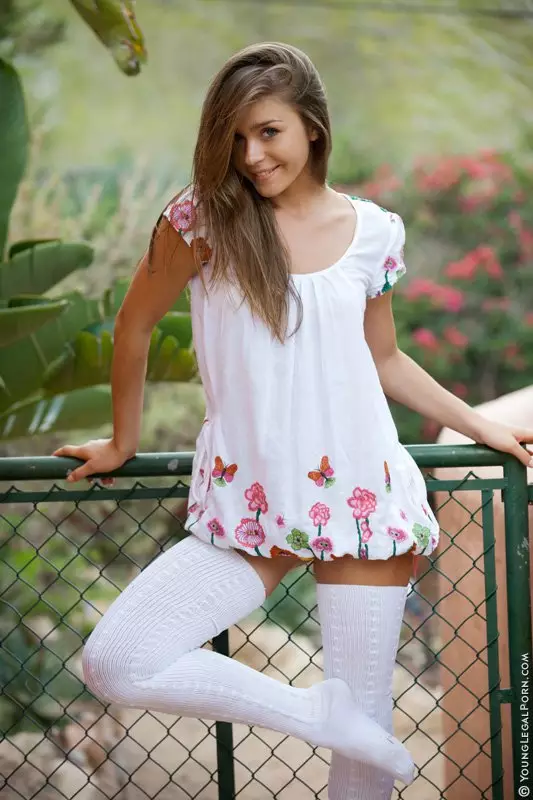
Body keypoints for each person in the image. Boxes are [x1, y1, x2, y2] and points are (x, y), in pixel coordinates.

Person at [53, 42, 533, 799]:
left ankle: (342, 721)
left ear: (311, 125)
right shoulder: (200, 220)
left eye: (268, 131)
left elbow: (384, 358)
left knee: (363, 757)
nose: (251, 155)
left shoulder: (374, 231)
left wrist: (481, 427)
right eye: (236, 137)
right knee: (118, 660)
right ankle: (315, 712)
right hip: (246, 502)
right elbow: (133, 326)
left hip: (362, 493)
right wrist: (123, 442)